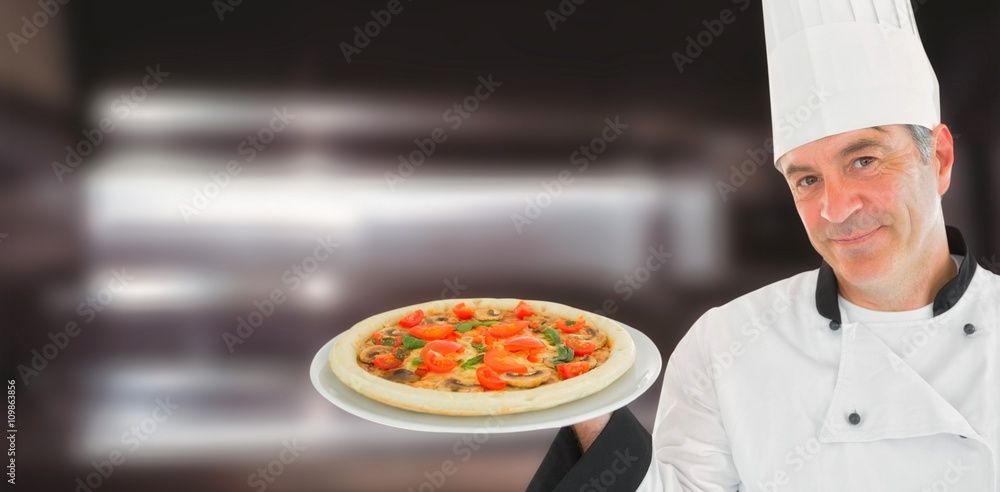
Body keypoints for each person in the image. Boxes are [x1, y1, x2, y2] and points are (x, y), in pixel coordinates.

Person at [528, 0, 1000, 490]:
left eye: (864, 160)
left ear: (939, 158)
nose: (835, 208)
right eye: (808, 180)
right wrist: (583, 391)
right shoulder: (726, 344)